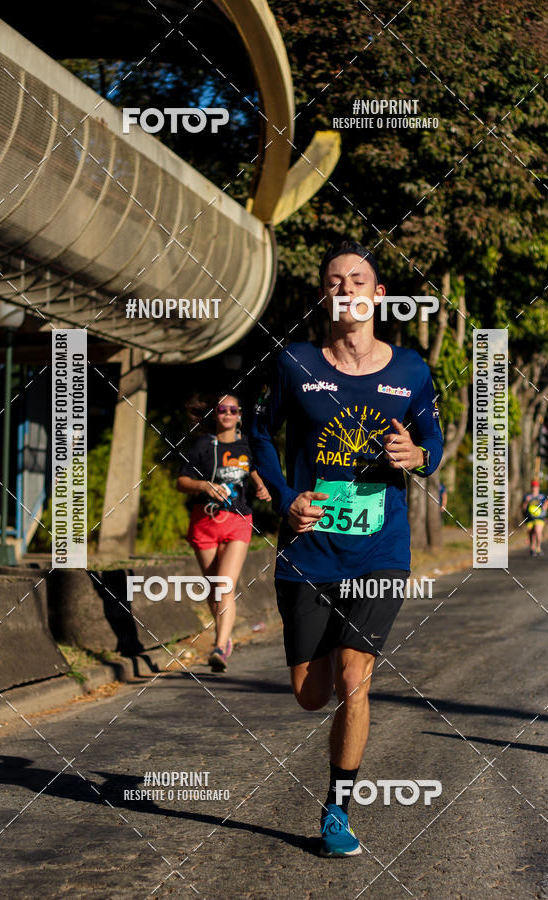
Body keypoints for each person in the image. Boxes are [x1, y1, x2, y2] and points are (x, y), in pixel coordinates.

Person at [250, 239, 443, 857]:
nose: (347, 290)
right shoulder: (295, 363)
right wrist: (285, 498)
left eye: (357, 280)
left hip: (380, 551)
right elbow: (259, 431)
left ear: (378, 295)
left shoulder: (411, 370)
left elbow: (432, 439)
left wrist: (418, 456)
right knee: (312, 694)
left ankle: (337, 809)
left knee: (354, 678)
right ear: (324, 295)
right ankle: (330, 644)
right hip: (310, 551)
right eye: (335, 281)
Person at [177, 391, 271, 671]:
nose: (228, 414)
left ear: (240, 415)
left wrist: (260, 484)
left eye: (233, 410)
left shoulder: (246, 446)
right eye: (222, 410)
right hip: (204, 520)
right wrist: (203, 486)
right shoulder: (202, 446)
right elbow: (182, 481)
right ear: (214, 415)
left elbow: (250, 468)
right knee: (212, 586)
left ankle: (220, 645)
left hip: (238, 519)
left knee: (224, 584)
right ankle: (224, 636)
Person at [521, 478, 548, 557]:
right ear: (531, 487)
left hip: (539, 517)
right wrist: (526, 501)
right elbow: (523, 507)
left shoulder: (541, 496)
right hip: (530, 518)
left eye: (536, 487)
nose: (534, 488)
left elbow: (547, 503)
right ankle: (532, 548)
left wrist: (544, 507)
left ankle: (538, 547)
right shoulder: (527, 496)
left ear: (538, 488)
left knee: (538, 531)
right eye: (533, 487)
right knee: (531, 533)